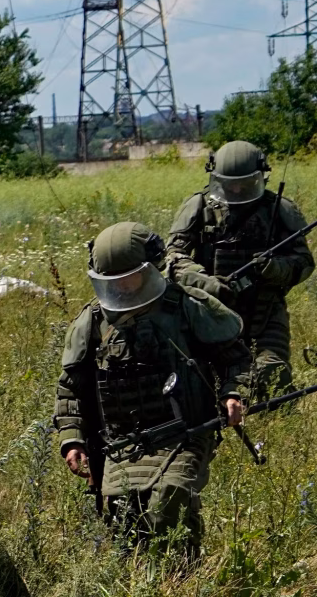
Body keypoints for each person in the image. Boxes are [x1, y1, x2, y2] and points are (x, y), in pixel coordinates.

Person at [56, 221, 249, 558]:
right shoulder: (93, 322)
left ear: (151, 268)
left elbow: (236, 357)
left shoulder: (186, 306)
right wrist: (72, 439)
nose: (123, 287)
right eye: (112, 282)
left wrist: (233, 393)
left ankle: (182, 585)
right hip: (122, 444)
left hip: (184, 433)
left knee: (169, 502)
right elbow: (71, 389)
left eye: (129, 276)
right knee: (126, 530)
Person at [165, 139, 314, 398]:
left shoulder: (280, 209)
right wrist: (205, 283)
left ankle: (279, 427)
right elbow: (173, 257)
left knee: (272, 375)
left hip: (265, 313)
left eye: (244, 184)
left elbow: (304, 262)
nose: (235, 189)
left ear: (260, 177)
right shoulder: (199, 207)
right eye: (228, 184)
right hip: (210, 311)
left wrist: (274, 268)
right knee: (201, 381)